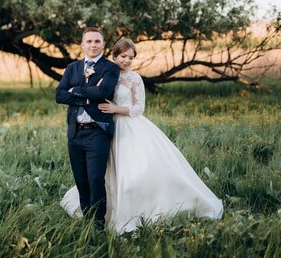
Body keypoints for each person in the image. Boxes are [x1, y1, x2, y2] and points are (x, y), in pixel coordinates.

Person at [60, 38, 223, 233]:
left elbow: (139, 108)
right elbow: (94, 93)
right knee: (104, 174)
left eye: (131, 57)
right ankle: (99, 213)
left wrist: (116, 108)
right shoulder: (103, 72)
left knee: (136, 172)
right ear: (114, 55)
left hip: (128, 126)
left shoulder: (134, 78)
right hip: (104, 129)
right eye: (123, 56)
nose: (127, 61)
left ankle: (139, 210)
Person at [55, 27, 120, 227]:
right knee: (81, 181)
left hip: (97, 133)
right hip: (74, 133)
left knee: (94, 180)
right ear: (82, 45)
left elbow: (103, 91)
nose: (93, 45)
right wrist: (87, 95)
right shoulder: (72, 68)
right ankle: (87, 221)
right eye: (89, 41)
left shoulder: (110, 68)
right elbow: (59, 95)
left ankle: (99, 225)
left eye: (97, 41)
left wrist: (76, 91)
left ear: (103, 44)